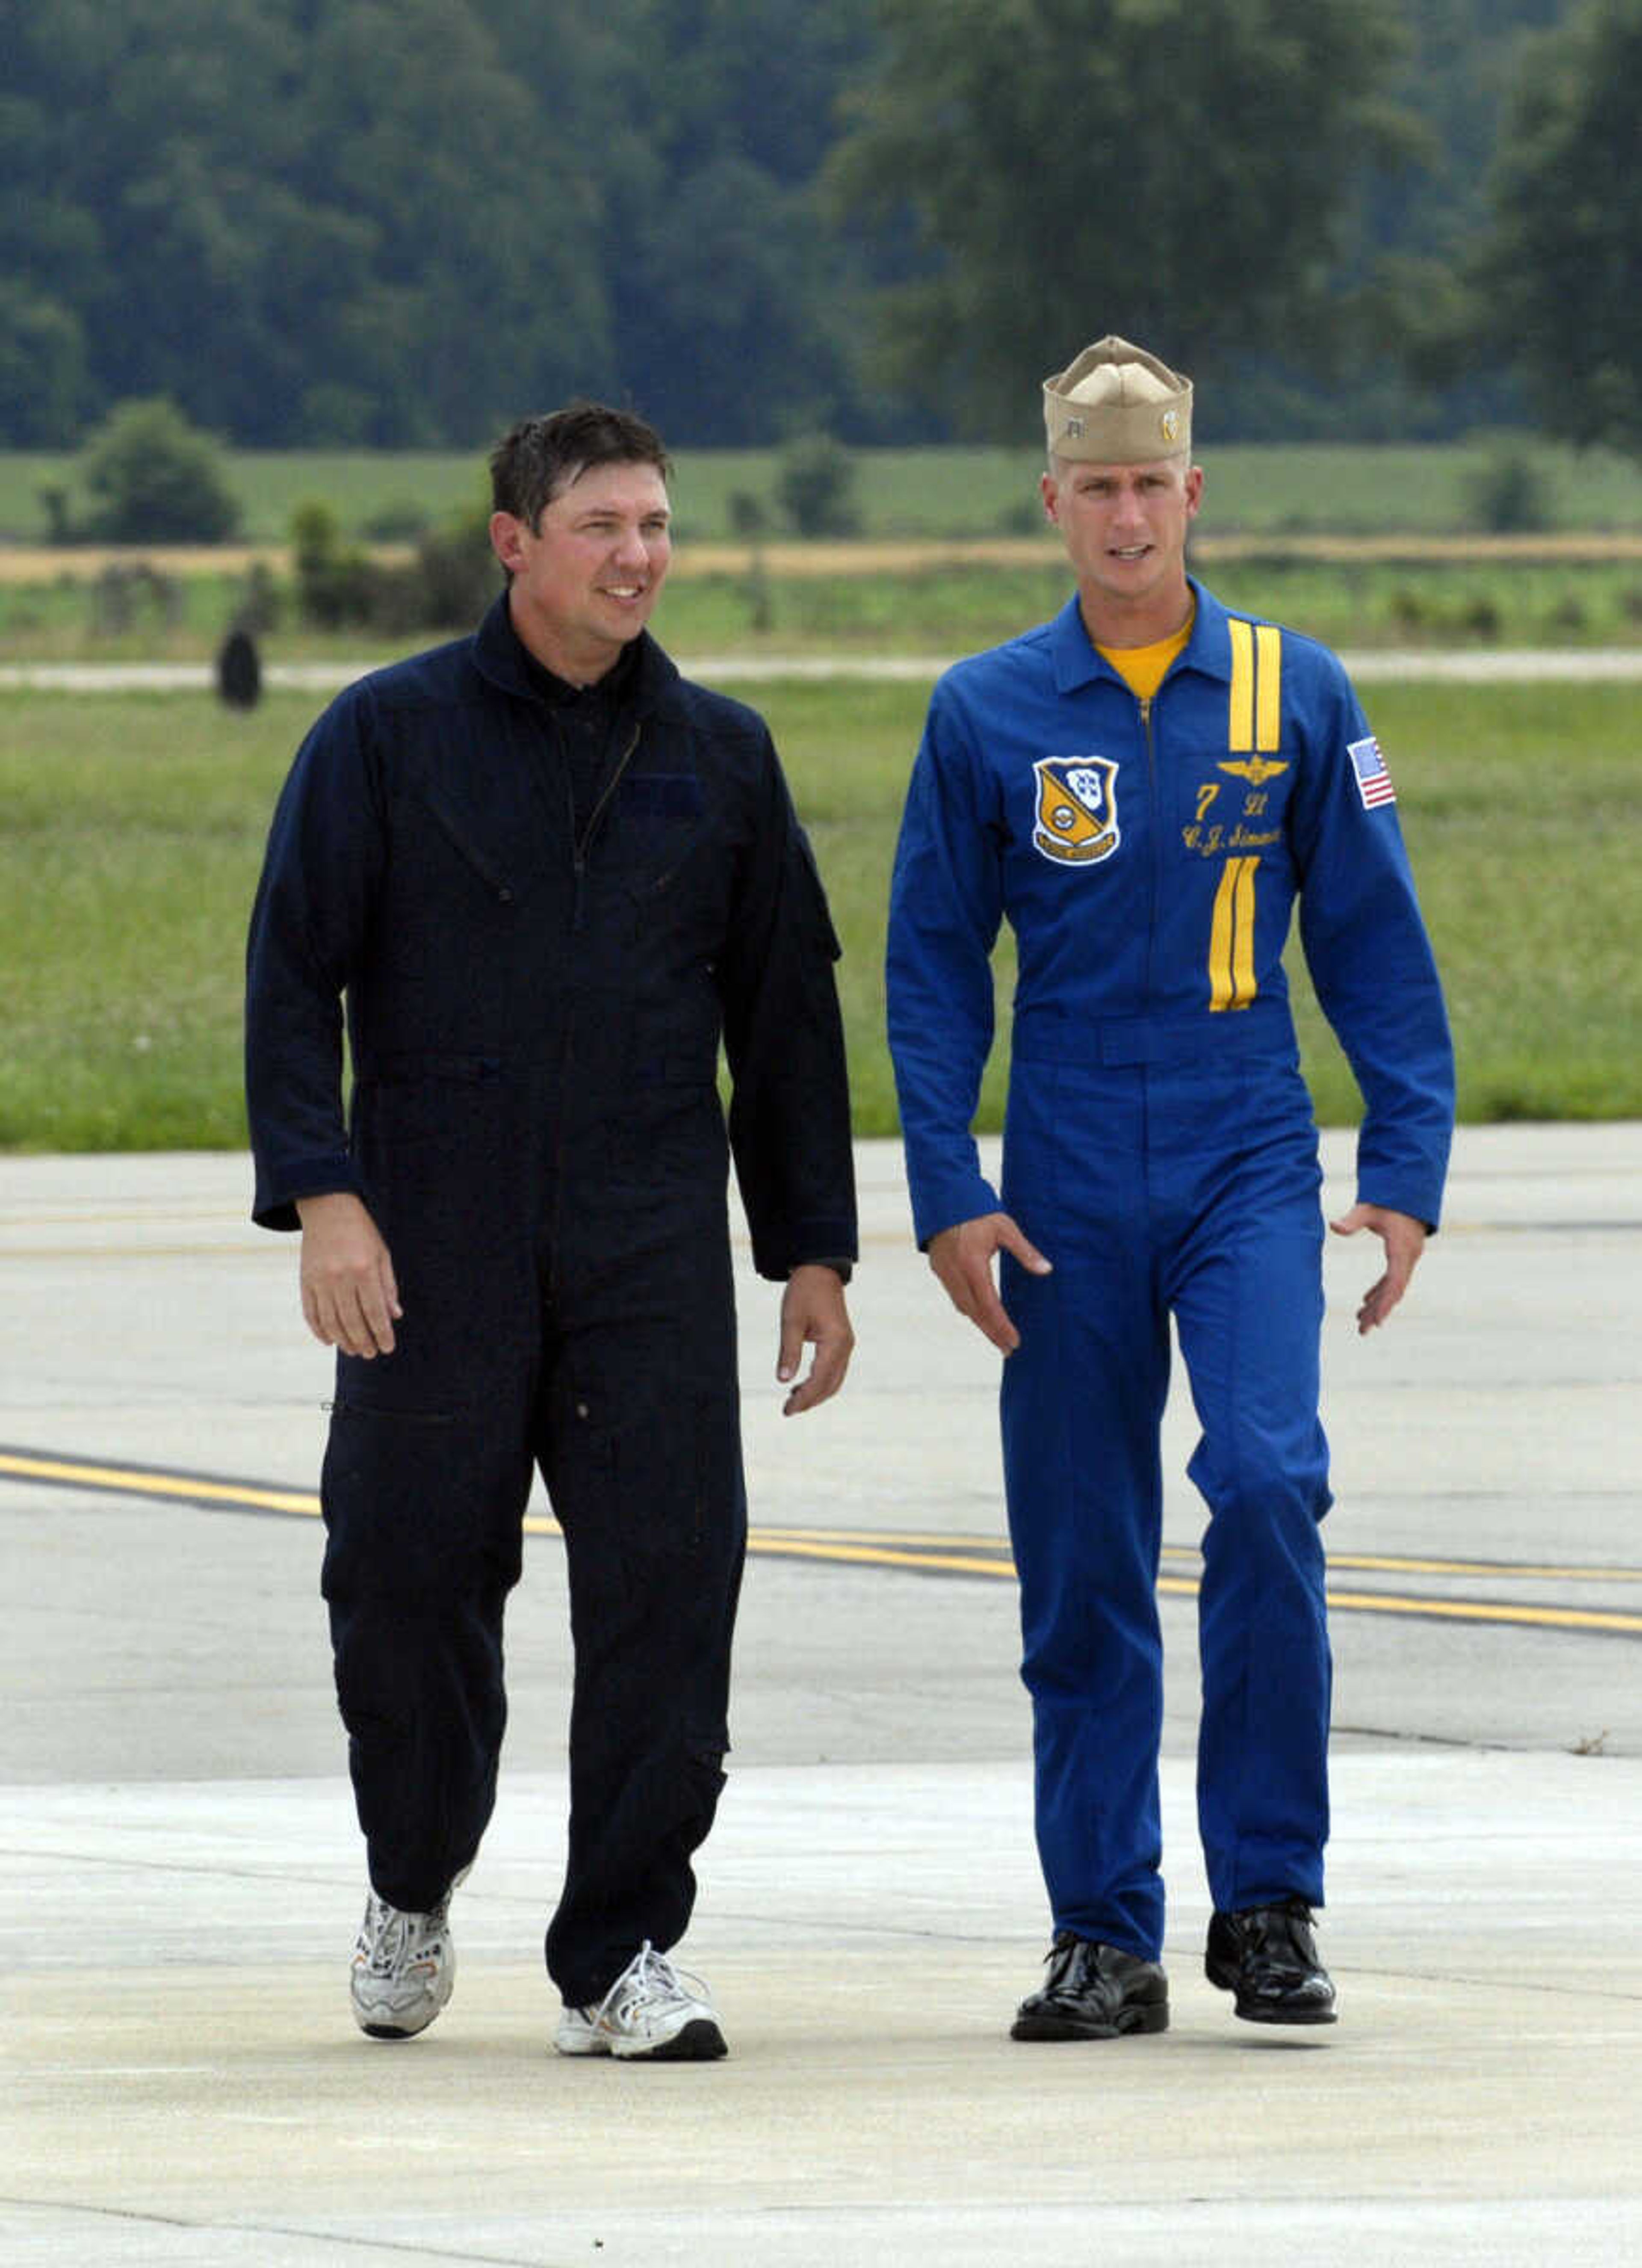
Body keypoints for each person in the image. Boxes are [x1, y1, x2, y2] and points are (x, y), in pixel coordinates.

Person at [245, 401, 856, 2061]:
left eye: (657, 525)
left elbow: (786, 1018)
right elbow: (295, 977)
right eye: (604, 527)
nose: (639, 555)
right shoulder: (384, 739)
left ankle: (620, 1950)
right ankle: (413, 1878)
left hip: (646, 1244)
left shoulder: (723, 759)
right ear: (515, 542)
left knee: (671, 1591)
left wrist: (811, 1247)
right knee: (404, 1579)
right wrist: (327, 1197)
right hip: (427, 1241)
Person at [886, 337, 1453, 2039]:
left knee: (1270, 1484)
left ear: (1195, 495)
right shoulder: (984, 709)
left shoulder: (1303, 692)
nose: (1126, 516)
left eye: (1153, 485)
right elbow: (929, 965)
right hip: (1059, 1162)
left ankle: (1269, 1899)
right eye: (1096, 486)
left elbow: (1372, 938)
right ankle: (1102, 1928)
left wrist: (1406, 1162)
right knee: (1082, 1549)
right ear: (1050, 499)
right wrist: (944, 1186)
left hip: (1245, 1148)